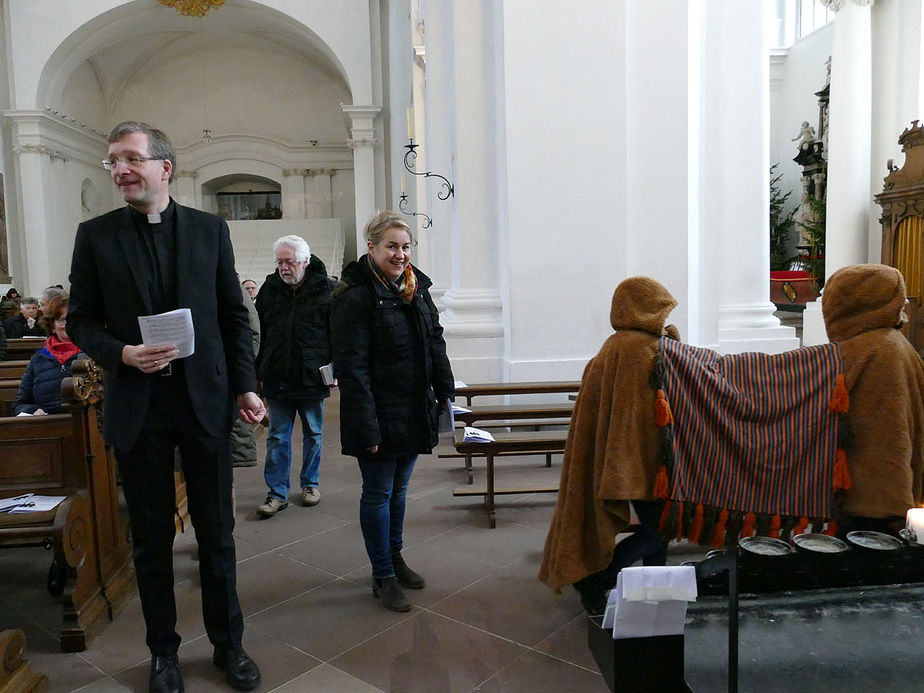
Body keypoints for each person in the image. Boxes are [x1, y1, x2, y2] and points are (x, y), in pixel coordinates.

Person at [67, 121, 265, 693]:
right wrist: (123, 353)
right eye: (113, 162)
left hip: (203, 400)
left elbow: (233, 314)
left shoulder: (209, 231)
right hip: (140, 405)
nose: (120, 169)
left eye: (130, 158)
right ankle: (163, 655)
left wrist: (246, 386)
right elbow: (80, 319)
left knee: (218, 535)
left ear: (164, 167)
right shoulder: (96, 236)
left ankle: (230, 647)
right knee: (151, 539)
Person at [330, 211, 454, 612]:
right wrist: (367, 426)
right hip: (379, 413)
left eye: (405, 246)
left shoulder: (417, 289)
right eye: (392, 247)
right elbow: (352, 367)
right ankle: (381, 573)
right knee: (379, 492)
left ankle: (395, 557)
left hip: (413, 407)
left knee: (399, 491)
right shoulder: (355, 296)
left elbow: (434, 338)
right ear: (372, 248)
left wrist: (445, 390)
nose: (400, 254)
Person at [539, 276, 680, 614]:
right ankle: (601, 578)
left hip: (628, 457)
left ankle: (655, 587)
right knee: (660, 527)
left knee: (657, 524)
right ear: (645, 310)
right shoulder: (643, 350)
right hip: (644, 460)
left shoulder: (614, 345)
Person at [821, 264, 924, 536]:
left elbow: (891, 437)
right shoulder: (887, 342)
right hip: (883, 490)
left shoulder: (875, 348)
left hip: (873, 500)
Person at [254, 235, 334, 517]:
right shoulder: (269, 288)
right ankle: (277, 493)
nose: (284, 267)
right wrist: (256, 372)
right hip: (277, 374)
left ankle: (310, 485)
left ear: (305, 261)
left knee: (313, 433)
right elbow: (259, 332)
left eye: (289, 261)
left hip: (311, 375)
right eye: (280, 262)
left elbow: (337, 333)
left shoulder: (326, 288)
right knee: (277, 436)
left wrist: (336, 369)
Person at [14, 294, 83, 415]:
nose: (69, 325)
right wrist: (34, 411)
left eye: (73, 320)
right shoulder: (38, 359)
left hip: (88, 424)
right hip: (49, 425)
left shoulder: (93, 355)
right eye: (62, 320)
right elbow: (20, 404)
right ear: (52, 326)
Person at [229, 278, 260, 469]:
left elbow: (251, 335)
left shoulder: (234, 290)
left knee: (224, 468)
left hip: (228, 380)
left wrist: (239, 367)